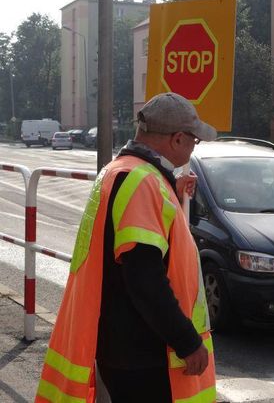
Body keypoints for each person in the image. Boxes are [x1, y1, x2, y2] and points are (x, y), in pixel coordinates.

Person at [36, 92, 217, 402]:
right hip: (144, 353)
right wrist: (187, 342)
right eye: (193, 140)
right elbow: (145, 278)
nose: (193, 147)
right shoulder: (142, 182)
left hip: (124, 346)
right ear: (176, 139)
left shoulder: (122, 171)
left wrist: (171, 191)